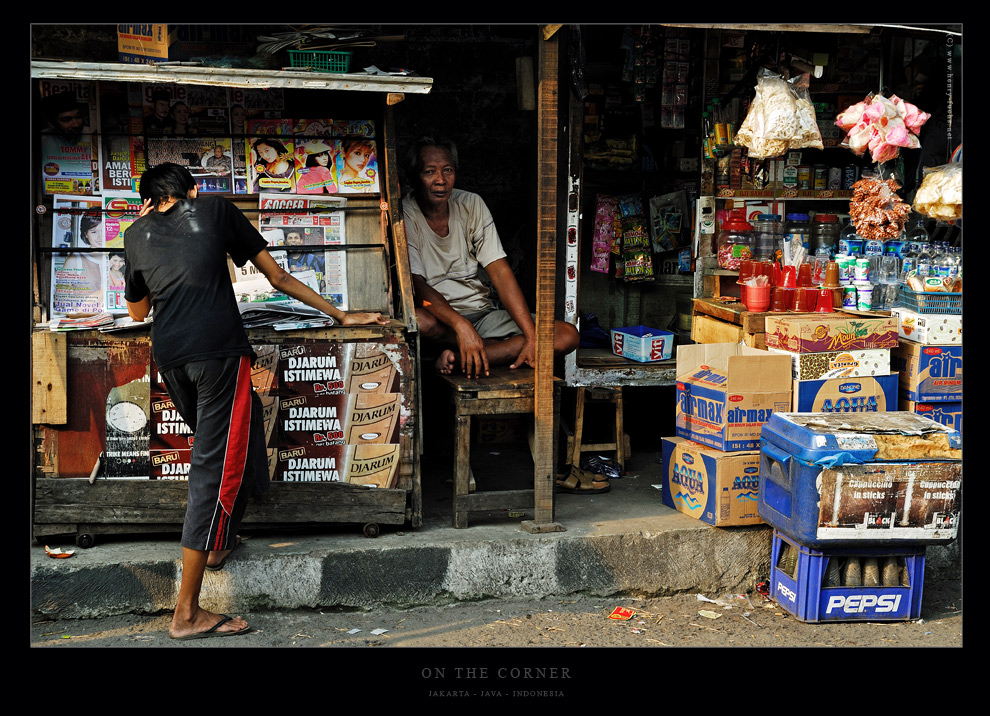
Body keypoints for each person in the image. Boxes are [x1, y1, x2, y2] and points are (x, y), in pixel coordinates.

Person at [124, 163, 388, 640]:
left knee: (234, 438)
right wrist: (341, 315)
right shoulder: (215, 209)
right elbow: (277, 278)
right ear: (193, 191)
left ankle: (219, 542)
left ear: (149, 199)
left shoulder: (135, 232)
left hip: (172, 356)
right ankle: (186, 613)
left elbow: (137, 310)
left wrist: (143, 232)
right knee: (213, 469)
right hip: (217, 352)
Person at [402, 136, 579, 379]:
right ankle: (471, 348)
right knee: (419, 320)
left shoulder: (471, 204)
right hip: (443, 323)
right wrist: (461, 326)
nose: (441, 180)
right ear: (414, 177)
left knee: (567, 335)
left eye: (448, 170)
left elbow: (500, 272)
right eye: (429, 172)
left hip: (483, 315)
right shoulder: (405, 214)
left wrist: (531, 337)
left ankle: (460, 358)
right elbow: (418, 287)